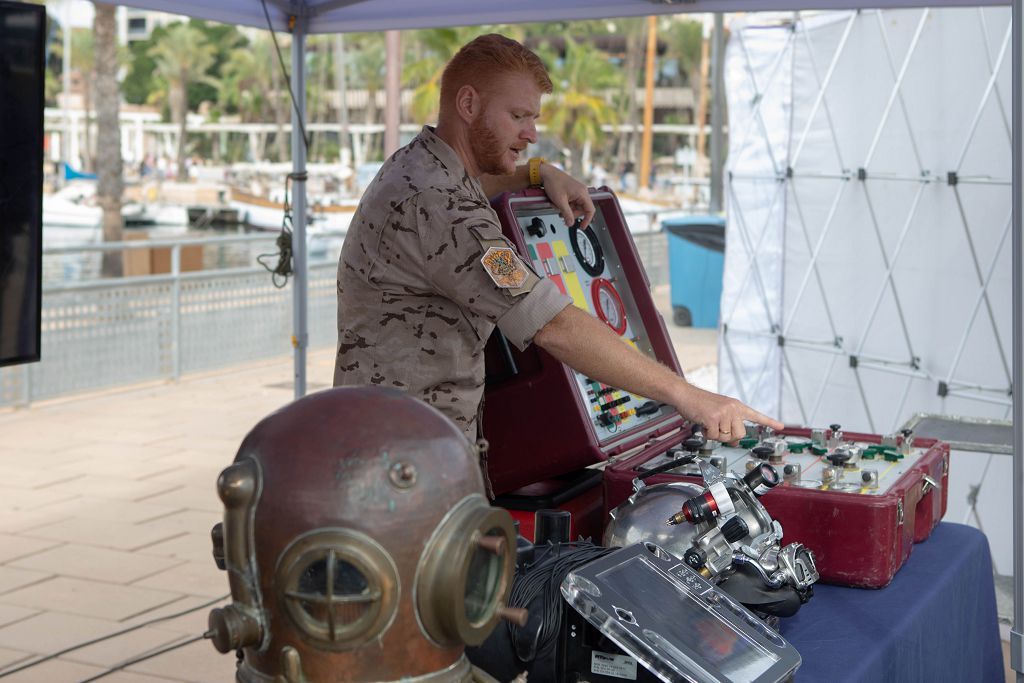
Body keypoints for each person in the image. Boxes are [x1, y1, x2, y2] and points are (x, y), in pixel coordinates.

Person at [335, 33, 781, 449]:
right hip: (402, 463)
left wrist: (537, 172)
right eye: (517, 116)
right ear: (468, 103)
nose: (531, 133)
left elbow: (476, 181)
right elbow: (553, 324)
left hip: (412, 447)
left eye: (533, 118)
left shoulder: (425, 166)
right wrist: (687, 395)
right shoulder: (437, 204)